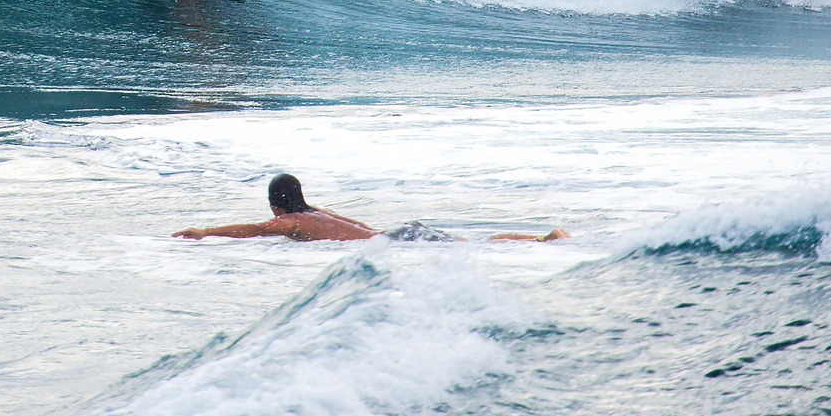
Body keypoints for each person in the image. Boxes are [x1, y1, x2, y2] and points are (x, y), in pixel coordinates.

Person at [172, 174, 568, 242]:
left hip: (397, 241)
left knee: (474, 243)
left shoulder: (292, 221)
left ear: (277, 204)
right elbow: (358, 226)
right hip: (398, 232)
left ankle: (542, 239)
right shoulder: (317, 214)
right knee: (474, 241)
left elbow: (255, 229)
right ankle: (538, 237)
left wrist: (205, 231)